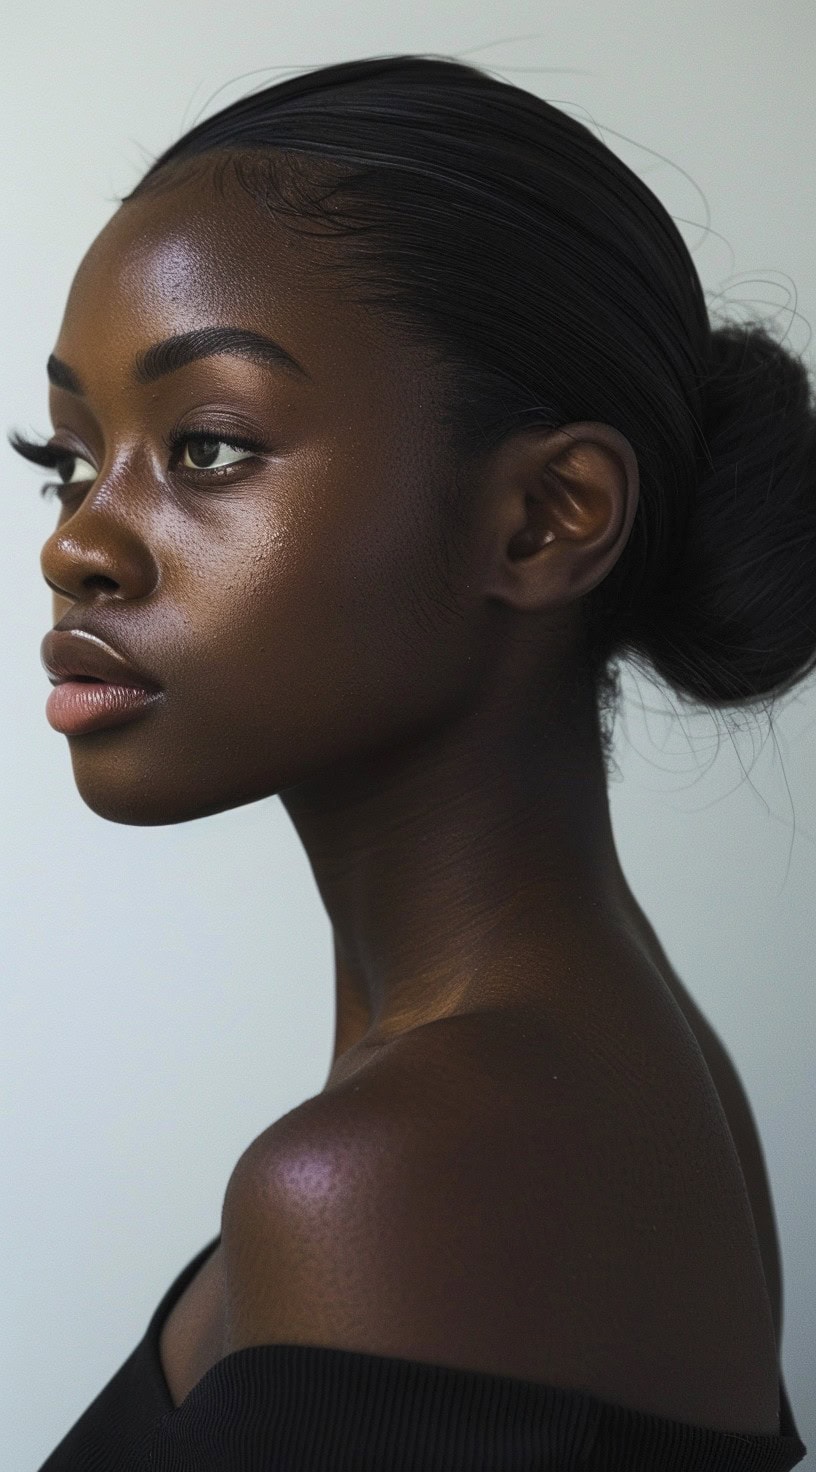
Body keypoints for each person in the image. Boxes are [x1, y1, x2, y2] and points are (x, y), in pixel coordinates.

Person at [12, 52, 811, 1471]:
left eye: (202, 445)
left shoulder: (409, 1171)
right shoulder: (613, 1076)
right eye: (67, 456)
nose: (74, 542)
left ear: (544, 518)